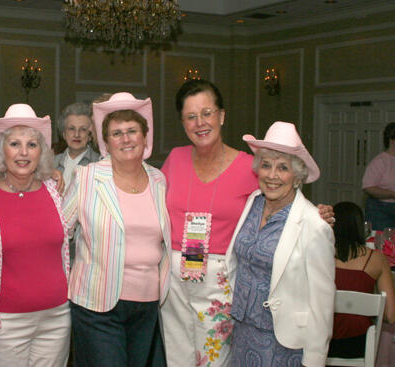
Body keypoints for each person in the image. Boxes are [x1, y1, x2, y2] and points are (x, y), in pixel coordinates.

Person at [160, 79, 334, 367]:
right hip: (174, 285)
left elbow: (284, 194)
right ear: (182, 121)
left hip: (220, 285)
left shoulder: (248, 167)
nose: (200, 122)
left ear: (222, 116)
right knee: (176, 360)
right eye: (190, 116)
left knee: (215, 362)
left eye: (207, 112)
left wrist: (317, 214)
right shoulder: (175, 160)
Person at [63, 92, 171, 367]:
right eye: (117, 133)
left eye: (132, 131)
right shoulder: (87, 177)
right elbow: (60, 230)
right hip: (97, 304)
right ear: (106, 143)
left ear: (145, 137)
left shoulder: (160, 180)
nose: (125, 139)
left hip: (147, 304)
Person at [0, 104, 70, 367]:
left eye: (32, 145)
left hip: (57, 317)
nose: (23, 153)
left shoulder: (55, 191)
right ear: (2, 150)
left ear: (42, 152)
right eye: (14, 143)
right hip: (5, 322)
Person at [226, 121, 336, 367]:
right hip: (241, 334)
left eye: (283, 168)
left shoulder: (313, 225)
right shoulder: (252, 203)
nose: (272, 175)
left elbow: (322, 302)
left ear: (297, 177)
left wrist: (315, 359)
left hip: (283, 343)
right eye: (266, 165)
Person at [328, 201, 395, 358]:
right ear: (360, 227)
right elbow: (391, 315)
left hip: (320, 344)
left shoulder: (319, 253)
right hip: (358, 346)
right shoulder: (377, 259)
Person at [54, 102, 100, 188]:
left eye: (83, 129)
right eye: (71, 129)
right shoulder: (52, 163)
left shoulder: (99, 163)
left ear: (90, 135)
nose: (77, 134)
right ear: (64, 133)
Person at [363, 122, 395, 230]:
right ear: (392, 140)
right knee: (380, 242)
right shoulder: (380, 161)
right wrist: (392, 194)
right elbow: (368, 187)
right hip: (380, 210)